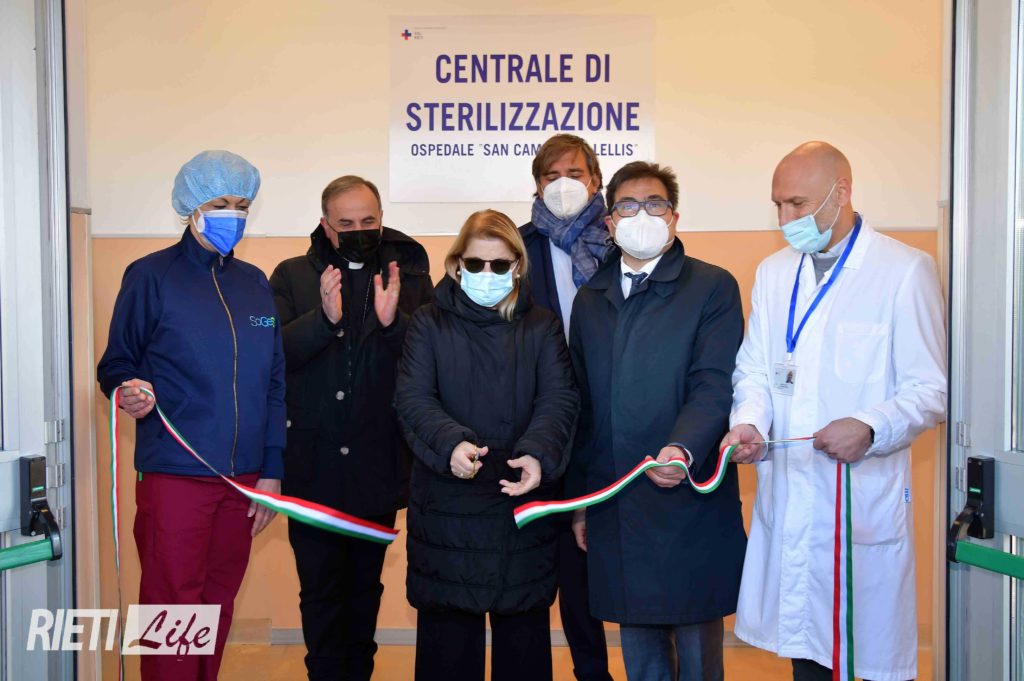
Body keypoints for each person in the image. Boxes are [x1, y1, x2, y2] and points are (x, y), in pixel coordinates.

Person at [723, 141, 947, 681]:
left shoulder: (904, 271)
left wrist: (869, 426)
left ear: (841, 193)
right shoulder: (775, 273)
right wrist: (749, 421)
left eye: (797, 204)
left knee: (865, 651)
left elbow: (930, 389)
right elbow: (754, 370)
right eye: (778, 205)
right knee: (806, 650)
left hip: (859, 498)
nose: (785, 219)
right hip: (793, 496)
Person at [97, 150, 284, 681]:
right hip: (175, 474)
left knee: (217, 604)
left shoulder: (254, 282)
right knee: (173, 608)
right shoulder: (150, 276)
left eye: (242, 204)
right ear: (192, 207)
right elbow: (116, 363)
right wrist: (128, 389)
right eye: (221, 203)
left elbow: (274, 382)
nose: (233, 214)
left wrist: (271, 472)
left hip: (244, 480)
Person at [568, 161, 747, 681]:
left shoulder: (711, 286)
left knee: (696, 649)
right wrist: (581, 501)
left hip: (686, 489)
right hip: (617, 496)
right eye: (627, 206)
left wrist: (682, 448)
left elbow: (714, 383)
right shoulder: (591, 298)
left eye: (655, 204)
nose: (641, 215)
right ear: (609, 222)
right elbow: (582, 405)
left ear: (674, 217)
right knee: (639, 648)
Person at [394, 209, 578, 681]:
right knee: (448, 652)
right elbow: (413, 398)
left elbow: (559, 398)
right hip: (447, 508)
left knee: (523, 649)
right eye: (476, 263)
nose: (487, 274)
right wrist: (451, 443)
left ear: (517, 266)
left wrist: (538, 452)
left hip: (520, 504)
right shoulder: (428, 323)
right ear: (457, 264)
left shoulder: (541, 325)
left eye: (499, 264)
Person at [269, 175, 433, 680]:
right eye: (346, 224)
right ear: (325, 225)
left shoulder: (408, 274)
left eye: (369, 221)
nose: (359, 231)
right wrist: (323, 319)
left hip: (376, 465)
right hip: (311, 468)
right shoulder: (292, 275)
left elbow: (429, 360)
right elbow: (274, 357)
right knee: (319, 591)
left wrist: (393, 324)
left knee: (365, 591)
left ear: (381, 220)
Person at [518, 133, 616, 681]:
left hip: (605, 427)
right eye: (551, 176)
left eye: (574, 174)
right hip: (538, 428)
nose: (563, 185)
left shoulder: (621, 241)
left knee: (589, 571)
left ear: (595, 180)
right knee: (538, 571)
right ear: (536, 185)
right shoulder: (517, 247)